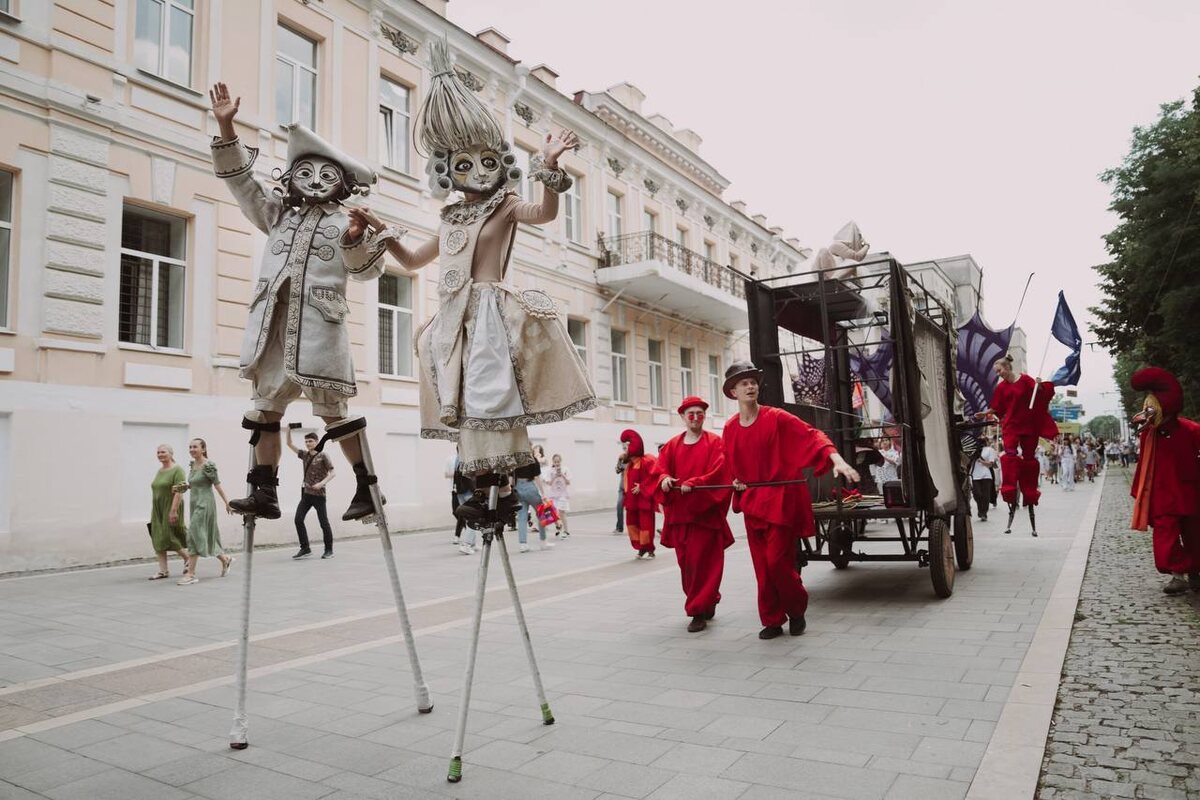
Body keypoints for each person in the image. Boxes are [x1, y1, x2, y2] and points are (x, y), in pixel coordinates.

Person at [359, 39, 595, 527]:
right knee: (463, 396)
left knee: (492, 392)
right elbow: (412, 258)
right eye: (463, 165)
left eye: (486, 162)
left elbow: (545, 212)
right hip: (455, 318)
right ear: (448, 171)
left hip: (490, 311)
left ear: (500, 165)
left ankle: (505, 488)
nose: (476, 172)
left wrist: (550, 166)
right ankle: (480, 486)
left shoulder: (505, 205)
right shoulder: (450, 219)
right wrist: (380, 230)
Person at [208, 83, 397, 525]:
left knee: (334, 415)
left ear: (342, 184)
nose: (314, 182)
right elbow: (241, 183)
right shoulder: (278, 216)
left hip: (320, 334)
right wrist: (225, 126)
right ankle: (264, 491)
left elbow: (370, 272)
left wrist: (355, 241)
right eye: (305, 173)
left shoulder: (346, 222)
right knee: (264, 412)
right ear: (290, 178)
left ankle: (369, 491)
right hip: (272, 331)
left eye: (326, 175)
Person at [721, 361, 860, 640]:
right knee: (762, 568)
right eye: (743, 382)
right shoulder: (730, 428)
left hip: (779, 502)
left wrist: (837, 459)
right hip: (753, 503)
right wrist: (736, 481)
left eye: (753, 381)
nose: (750, 386)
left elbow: (812, 436)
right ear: (733, 392)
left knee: (777, 564)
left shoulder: (776, 417)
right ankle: (772, 619)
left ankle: (796, 610)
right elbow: (730, 465)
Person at [654, 396, 733, 633]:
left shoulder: (715, 443)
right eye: (691, 414)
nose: (695, 418)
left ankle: (697, 610)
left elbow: (720, 472)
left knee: (703, 563)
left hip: (704, 516)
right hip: (679, 516)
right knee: (686, 564)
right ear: (682, 417)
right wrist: (664, 480)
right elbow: (659, 470)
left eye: (699, 413)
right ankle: (707, 599)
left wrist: (696, 483)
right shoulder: (671, 446)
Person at [1128, 367, 1200, 595]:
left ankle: (1194, 571)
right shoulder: (1148, 432)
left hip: (1190, 491)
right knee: (1165, 542)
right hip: (1162, 495)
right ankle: (1181, 571)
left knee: (1195, 535)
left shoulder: (1190, 429)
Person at [975, 354, 1057, 536]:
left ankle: (1029, 492)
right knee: (1010, 455)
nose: (999, 374)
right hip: (1011, 425)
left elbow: (1040, 393)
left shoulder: (1025, 380)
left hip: (1028, 424)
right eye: (997, 372)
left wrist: (1040, 385)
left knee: (1028, 459)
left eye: (1000, 370)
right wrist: (985, 413)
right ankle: (1010, 490)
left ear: (1008, 367)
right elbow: (997, 408)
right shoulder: (1001, 387)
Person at [176, 438, 234, 585]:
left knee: (193, 533)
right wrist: (185, 487)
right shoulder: (193, 464)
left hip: (205, 504)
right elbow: (195, 483)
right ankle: (225, 559)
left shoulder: (209, 465)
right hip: (195, 503)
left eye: (195, 447)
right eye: (190, 447)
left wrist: (227, 503)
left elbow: (217, 485)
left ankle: (191, 574)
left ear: (203, 449)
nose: (191, 449)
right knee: (206, 535)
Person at [285, 429, 336, 559]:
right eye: (306, 441)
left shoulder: (323, 456)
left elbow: (333, 473)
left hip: (319, 495)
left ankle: (329, 550)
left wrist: (321, 483)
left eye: (311, 441)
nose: (308, 444)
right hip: (307, 495)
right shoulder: (304, 455)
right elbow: (289, 444)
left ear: (317, 442)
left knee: (324, 523)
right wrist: (288, 430)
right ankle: (305, 548)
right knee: (298, 519)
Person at [148, 444, 189, 580]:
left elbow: (179, 491)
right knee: (157, 536)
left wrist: (173, 511)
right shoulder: (160, 471)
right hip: (158, 508)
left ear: (171, 454)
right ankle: (163, 571)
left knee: (168, 536)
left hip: (171, 506)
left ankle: (188, 558)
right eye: (158, 452)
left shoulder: (178, 470)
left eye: (163, 452)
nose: (160, 454)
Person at [620, 430, 658, 559]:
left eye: (626, 447)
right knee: (632, 524)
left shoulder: (646, 461)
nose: (624, 450)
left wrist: (642, 487)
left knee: (646, 525)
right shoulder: (629, 465)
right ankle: (641, 547)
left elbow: (654, 476)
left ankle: (649, 548)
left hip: (643, 501)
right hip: (631, 502)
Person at [513, 476, 553, 553]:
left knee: (522, 518)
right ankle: (543, 541)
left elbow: (511, 478)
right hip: (530, 487)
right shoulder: (533, 463)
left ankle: (523, 544)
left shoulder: (514, 464)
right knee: (541, 514)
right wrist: (543, 493)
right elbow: (537, 477)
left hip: (518, 488)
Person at [445, 454, 471, 545]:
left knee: (463, 513)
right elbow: (446, 474)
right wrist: (456, 473)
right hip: (456, 489)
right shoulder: (452, 459)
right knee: (456, 512)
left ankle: (458, 536)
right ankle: (468, 532)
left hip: (465, 489)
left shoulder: (465, 457)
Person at [544, 454, 572, 537]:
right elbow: (548, 483)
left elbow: (568, 482)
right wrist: (555, 476)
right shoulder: (550, 471)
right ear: (553, 462)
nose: (557, 463)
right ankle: (559, 527)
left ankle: (566, 531)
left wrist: (562, 475)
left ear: (561, 461)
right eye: (555, 462)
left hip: (563, 494)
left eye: (558, 462)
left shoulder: (565, 469)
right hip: (553, 495)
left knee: (562, 512)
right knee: (553, 512)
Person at [613, 452, 627, 535]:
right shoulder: (622, 459)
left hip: (631, 487)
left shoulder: (633, 460)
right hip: (622, 488)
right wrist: (619, 461)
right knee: (619, 505)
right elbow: (617, 470)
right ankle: (619, 527)